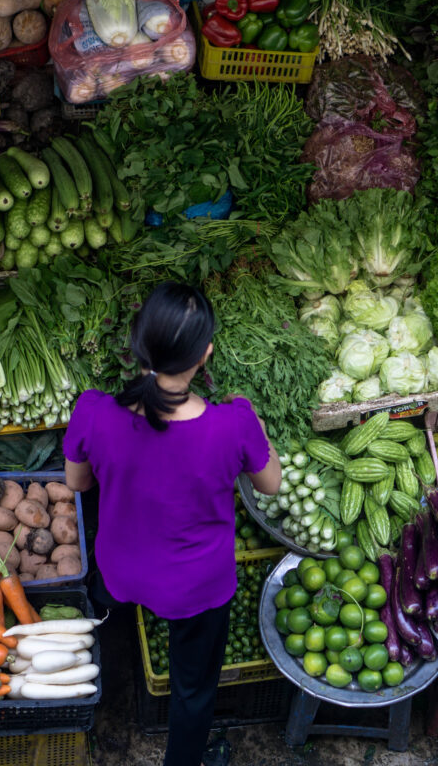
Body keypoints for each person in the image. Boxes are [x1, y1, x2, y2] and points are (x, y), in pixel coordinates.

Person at [63, 281, 282, 766]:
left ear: (137, 343)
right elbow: (270, 485)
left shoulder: (93, 411)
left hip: (120, 570)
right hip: (196, 587)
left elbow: (77, 484)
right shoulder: (233, 424)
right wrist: (253, 418)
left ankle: (105, 656)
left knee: (110, 600)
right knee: (193, 688)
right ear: (205, 354)